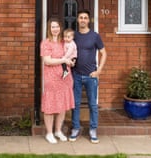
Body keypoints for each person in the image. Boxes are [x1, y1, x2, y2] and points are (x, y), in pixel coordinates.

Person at [69, 10, 107, 144]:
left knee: (92, 104)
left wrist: (99, 71)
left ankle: (93, 129)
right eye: (81, 17)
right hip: (76, 75)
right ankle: (75, 128)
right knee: (76, 104)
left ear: (88, 20)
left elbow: (104, 53)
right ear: (77, 20)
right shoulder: (73, 36)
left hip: (91, 76)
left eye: (85, 18)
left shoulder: (95, 36)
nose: (83, 20)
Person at [41, 18, 75, 144]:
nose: (55, 29)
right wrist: (63, 60)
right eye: (52, 27)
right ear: (49, 29)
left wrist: (71, 61)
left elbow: (71, 54)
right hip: (51, 79)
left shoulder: (63, 42)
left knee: (62, 106)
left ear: (60, 28)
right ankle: (49, 133)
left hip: (65, 79)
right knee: (50, 106)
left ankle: (58, 131)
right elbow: (47, 61)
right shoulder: (46, 43)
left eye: (57, 26)